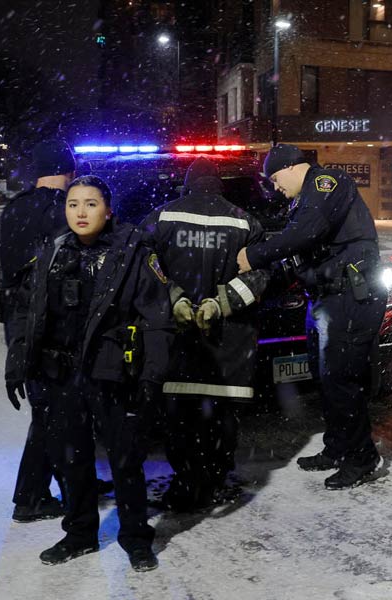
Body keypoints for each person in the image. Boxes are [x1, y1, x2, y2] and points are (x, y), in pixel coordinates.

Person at [4, 175, 173, 571]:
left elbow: (158, 319)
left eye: (91, 204)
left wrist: (152, 376)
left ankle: (135, 538)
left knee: (125, 460)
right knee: (71, 459)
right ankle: (79, 534)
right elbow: (27, 312)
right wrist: (18, 365)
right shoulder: (53, 250)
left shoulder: (133, 252)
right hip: (59, 374)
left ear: (108, 209)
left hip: (113, 373)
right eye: (73, 204)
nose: (80, 212)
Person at [237, 144, 386, 489]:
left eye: (275, 178)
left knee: (342, 379)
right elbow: (297, 255)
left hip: (350, 296)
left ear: (291, 167)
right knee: (326, 379)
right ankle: (337, 447)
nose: (275, 187)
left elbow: (305, 234)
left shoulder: (327, 183)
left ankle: (362, 458)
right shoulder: (301, 202)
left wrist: (255, 256)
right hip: (325, 298)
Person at [142, 158, 270, 510]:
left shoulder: (162, 217)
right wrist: (221, 303)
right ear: (219, 185)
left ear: (187, 184)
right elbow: (260, 275)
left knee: (180, 418)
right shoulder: (245, 221)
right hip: (228, 343)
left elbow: (144, 266)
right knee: (222, 418)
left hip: (178, 340)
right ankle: (214, 479)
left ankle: (186, 485)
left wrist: (174, 299)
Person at [0, 139, 74, 523]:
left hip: (18, 321)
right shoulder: (61, 210)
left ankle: (71, 481)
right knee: (52, 411)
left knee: (52, 407)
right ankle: (29, 498)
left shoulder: (15, 208)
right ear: (69, 170)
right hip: (47, 323)